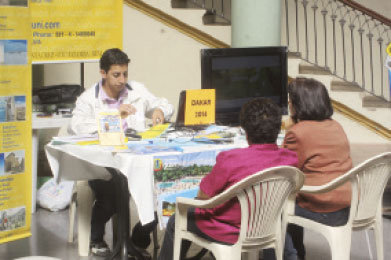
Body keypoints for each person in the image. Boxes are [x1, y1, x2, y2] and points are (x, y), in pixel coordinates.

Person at [158, 97, 298, 260]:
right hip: (267, 227)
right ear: (277, 128)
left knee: (177, 218)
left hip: (229, 231)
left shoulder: (231, 159)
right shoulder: (290, 159)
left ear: (245, 131)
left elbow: (204, 195)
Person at [69, 48, 174, 257]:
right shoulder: (88, 98)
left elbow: (163, 104)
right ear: (103, 73)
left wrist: (159, 111)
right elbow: (77, 126)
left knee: (163, 190)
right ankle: (96, 238)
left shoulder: (136, 90)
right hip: (103, 160)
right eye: (116, 74)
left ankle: (137, 238)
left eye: (125, 73)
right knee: (111, 196)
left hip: (136, 157)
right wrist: (115, 115)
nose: (122, 79)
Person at [282, 77, 352, 260]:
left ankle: (289, 256)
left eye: (291, 101)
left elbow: (284, 172)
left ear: (298, 105)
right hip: (345, 204)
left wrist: (291, 128)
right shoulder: (336, 126)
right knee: (291, 199)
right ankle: (298, 254)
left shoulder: (298, 133)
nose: (288, 104)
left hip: (322, 208)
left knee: (273, 204)